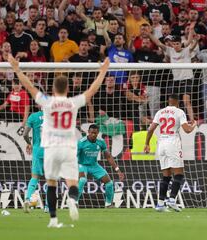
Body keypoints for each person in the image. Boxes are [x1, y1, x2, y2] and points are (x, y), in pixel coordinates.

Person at [7, 54, 110, 227]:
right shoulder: (72, 103)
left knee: (51, 184)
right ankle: (71, 198)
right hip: (69, 148)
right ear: (67, 89)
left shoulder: (47, 102)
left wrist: (17, 68)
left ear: (53, 89)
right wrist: (103, 71)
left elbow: (29, 86)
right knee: (72, 182)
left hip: (51, 149)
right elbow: (92, 90)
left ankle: (53, 220)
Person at [144, 94, 197, 212]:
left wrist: (146, 143)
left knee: (166, 176)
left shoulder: (160, 112)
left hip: (161, 144)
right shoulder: (179, 112)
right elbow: (187, 130)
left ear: (169, 101)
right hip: (173, 142)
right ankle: (172, 199)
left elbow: (151, 129)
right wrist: (193, 125)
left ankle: (161, 203)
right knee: (178, 174)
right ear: (177, 102)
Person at [77, 124, 125, 207]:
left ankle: (108, 204)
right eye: (91, 133)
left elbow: (108, 156)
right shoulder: (81, 142)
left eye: (95, 133)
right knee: (82, 180)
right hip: (82, 164)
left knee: (109, 183)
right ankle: (74, 202)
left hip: (94, 165)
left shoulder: (101, 142)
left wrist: (118, 170)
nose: (93, 135)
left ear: (98, 132)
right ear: (88, 132)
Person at [23, 109, 47, 213]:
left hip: (37, 150)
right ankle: (48, 207)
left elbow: (25, 134)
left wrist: (29, 143)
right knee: (51, 180)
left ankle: (27, 199)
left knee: (34, 178)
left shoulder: (33, 116)